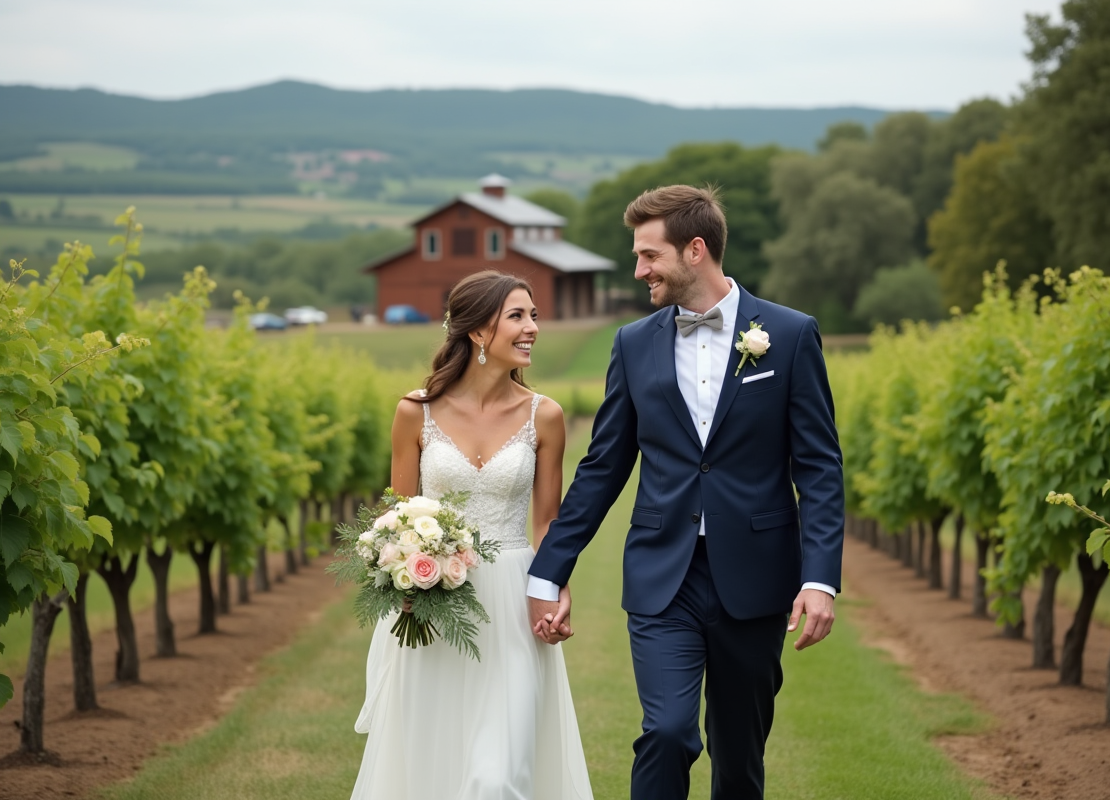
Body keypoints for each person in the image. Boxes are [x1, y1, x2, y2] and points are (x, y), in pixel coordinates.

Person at [526, 185, 844, 800]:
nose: (639, 269)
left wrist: (820, 578)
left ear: (695, 250)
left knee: (739, 759)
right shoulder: (633, 343)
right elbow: (603, 467)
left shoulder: (791, 334)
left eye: (649, 256)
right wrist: (548, 572)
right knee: (668, 732)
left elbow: (820, 467)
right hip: (661, 573)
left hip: (755, 579)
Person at [350, 271, 593, 800]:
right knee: (432, 764)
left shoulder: (544, 416)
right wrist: (404, 579)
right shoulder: (415, 412)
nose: (532, 327)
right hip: (436, 604)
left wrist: (558, 585)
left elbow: (547, 522)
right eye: (518, 316)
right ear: (479, 333)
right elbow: (402, 515)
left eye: (533, 316)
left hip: (513, 600)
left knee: (496, 777)